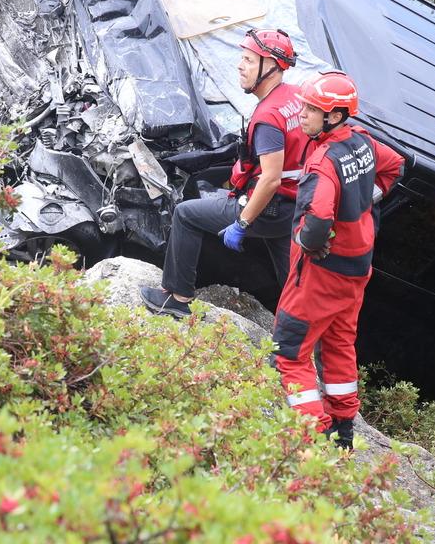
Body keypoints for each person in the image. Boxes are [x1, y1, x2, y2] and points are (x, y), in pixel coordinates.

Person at [271, 71, 404, 449]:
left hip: (320, 276)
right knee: (339, 343)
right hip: (356, 269)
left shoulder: (322, 164)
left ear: (333, 116)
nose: (303, 115)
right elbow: (396, 167)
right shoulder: (362, 142)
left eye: (312, 110)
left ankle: (315, 439)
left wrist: (305, 240)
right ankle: (344, 431)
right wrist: (364, 203)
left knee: (289, 354)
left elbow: (315, 223)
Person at [141, 29, 309, 319]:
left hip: (266, 205)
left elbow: (270, 178)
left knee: (185, 215)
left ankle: (177, 297)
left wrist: (242, 222)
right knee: (292, 279)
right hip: (291, 206)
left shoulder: (268, 116)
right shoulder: (295, 97)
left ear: (269, 66)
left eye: (247, 59)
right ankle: (302, 338)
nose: (239, 65)